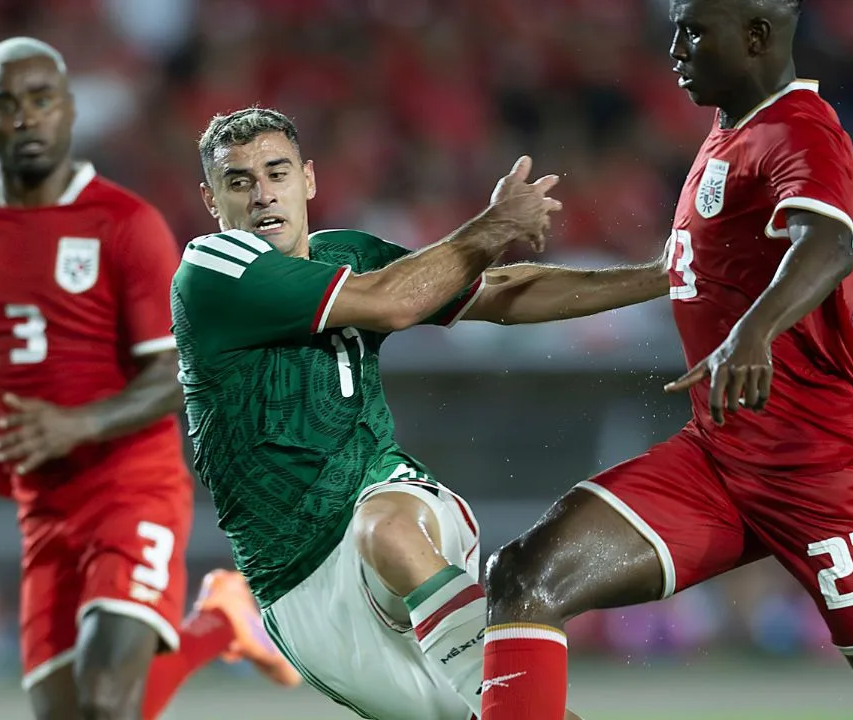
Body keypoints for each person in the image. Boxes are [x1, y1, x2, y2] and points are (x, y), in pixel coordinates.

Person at [0, 39, 298, 720]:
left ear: (70, 109)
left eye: (42, 100)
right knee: (74, 711)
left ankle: (221, 623)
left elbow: (178, 370)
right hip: (41, 504)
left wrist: (78, 422)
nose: (25, 119)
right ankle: (222, 624)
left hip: (130, 485)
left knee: (106, 703)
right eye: (5, 105)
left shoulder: (124, 223)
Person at [480, 1, 853, 718]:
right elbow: (675, 272)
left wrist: (753, 330)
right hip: (720, 459)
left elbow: (825, 246)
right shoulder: (728, 135)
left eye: (693, 28)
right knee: (526, 576)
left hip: (831, 470)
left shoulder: (800, 130)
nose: (674, 44)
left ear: (757, 35)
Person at [172, 106, 670, 719]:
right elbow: (389, 302)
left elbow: (504, 293)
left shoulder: (350, 251)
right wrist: (491, 226)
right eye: (239, 181)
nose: (262, 194)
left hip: (386, 501)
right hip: (298, 591)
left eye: (276, 173)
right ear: (210, 198)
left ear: (308, 179)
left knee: (388, 528)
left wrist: (665, 273)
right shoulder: (210, 270)